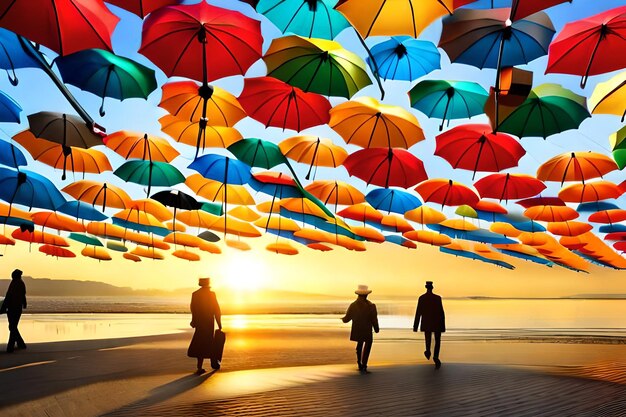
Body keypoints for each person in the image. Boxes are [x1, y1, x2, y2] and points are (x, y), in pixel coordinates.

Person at [187, 277, 222, 375]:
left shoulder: (195, 294)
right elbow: (217, 310)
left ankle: (199, 367)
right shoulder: (211, 294)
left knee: (199, 343)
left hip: (200, 322)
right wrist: (219, 324)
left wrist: (193, 320)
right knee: (209, 342)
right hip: (209, 322)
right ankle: (213, 361)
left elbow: (193, 308)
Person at [342, 284, 379, 373]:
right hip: (367, 329)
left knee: (359, 344)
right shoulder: (371, 305)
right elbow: (374, 318)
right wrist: (376, 328)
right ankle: (364, 364)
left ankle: (359, 363)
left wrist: (343, 319)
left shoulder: (353, 305)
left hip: (357, 328)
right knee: (367, 344)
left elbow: (347, 318)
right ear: (366, 294)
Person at [413, 281, 446, 369]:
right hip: (437, 322)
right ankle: (436, 356)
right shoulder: (437, 298)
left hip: (426, 322)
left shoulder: (422, 298)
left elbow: (418, 312)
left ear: (426, 287)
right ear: (432, 288)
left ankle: (428, 351)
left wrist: (415, 326)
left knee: (428, 339)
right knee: (437, 341)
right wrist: (443, 326)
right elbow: (441, 312)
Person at [0, 269, 27, 353]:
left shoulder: (15, 283)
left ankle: (10, 347)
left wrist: (3, 307)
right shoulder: (21, 283)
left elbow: (9, 296)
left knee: (12, 326)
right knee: (13, 326)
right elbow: (23, 295)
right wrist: (24, 303)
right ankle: (20, 344)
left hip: (12, 308)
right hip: (17, 308)